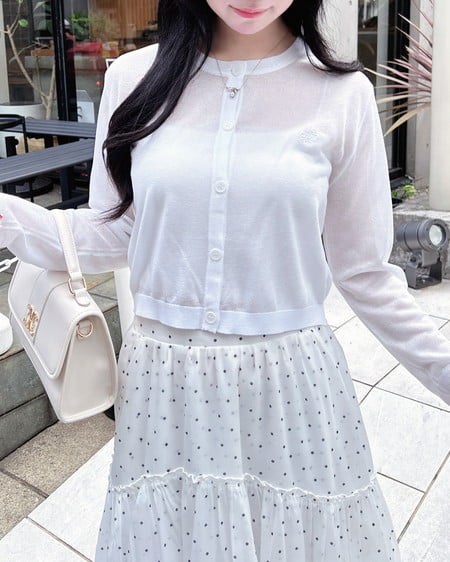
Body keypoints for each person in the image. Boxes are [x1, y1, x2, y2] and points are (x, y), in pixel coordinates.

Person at [1, 1, 450, 560]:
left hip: (288, 383)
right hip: (166, 384)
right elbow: (118, 231)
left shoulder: (341, 94)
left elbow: (364, 271)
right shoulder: (134, 79)